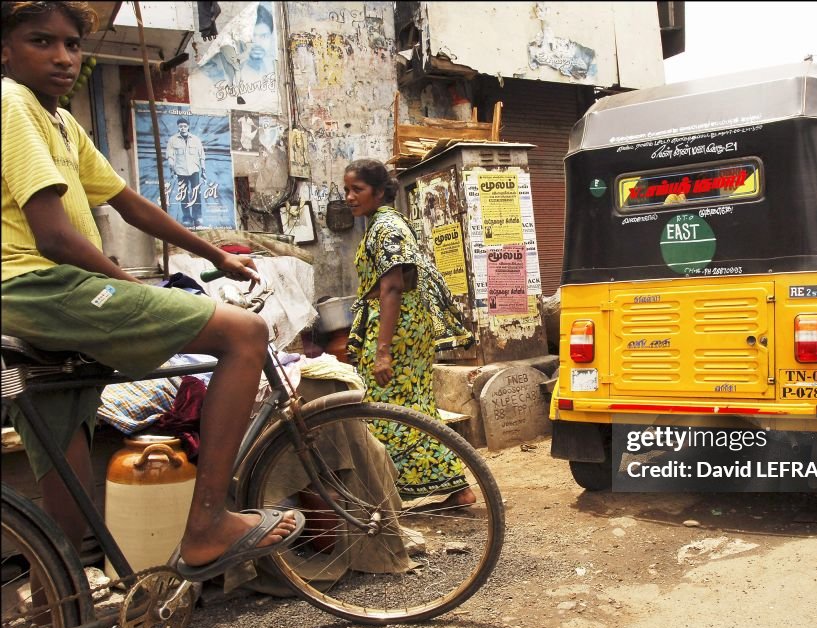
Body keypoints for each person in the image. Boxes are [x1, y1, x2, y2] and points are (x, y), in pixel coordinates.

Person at [1, 1, 303, 581]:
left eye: (71, 44)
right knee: (245, 333)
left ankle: (53, 626)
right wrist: (126, 285)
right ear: (6, 52)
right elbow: (55, 236)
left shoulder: (59, 120)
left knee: (64, 468)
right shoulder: (11, 104)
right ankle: (208, 525)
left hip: (50, 296)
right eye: (43, 42)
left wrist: (214, 252)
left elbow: (127, 201)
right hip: (38, 286)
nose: (63, 57)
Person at [343, 159, 477, 507]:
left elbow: (391, 288)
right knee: (412, 407)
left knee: (383, 408)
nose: (349, 197)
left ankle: (419, 487)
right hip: (405, 325)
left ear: (377, 191)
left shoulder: (386, 227)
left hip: (396, 328)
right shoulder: (383, 223)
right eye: (346, 190)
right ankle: (451, 486)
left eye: (356, 189)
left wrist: (382, 351)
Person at [165, 117, 206, 228]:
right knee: (183, 195)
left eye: (184, 126)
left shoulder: (196, 139)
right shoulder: (173, 140)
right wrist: (171, 167)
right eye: (180, 126)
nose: (183, 128)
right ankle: (187, 218)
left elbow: (202, 155)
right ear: (178, 127)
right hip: (180, 171)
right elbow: (170, 155)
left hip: (194, 170)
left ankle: (198, 217)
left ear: (188, 127)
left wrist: (203, 170)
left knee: (196, 194)